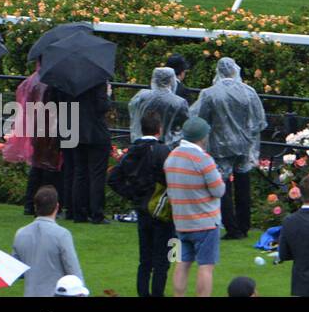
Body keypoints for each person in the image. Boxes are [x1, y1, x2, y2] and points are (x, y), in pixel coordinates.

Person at [188, 58, 267, 240]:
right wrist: (248, 137)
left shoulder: (210, 94)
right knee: (243, 182)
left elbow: (200, 118)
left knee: (222, 185)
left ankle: (232, 227)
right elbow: (259, 120)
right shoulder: (248, 92)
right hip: (244, 144)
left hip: (220, 144)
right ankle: (244, 224)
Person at [107, 109, 175, 297]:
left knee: (145, 260)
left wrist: (132, 195)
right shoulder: (163, 151)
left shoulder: (133, 151)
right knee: (162, 260)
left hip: (142, 209)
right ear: (159, 130)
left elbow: (113, 178)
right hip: (161, 210)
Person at [163, 116, 225, 298]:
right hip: (205, 222)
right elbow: (219, 190)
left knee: (181, 263)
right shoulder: (203, 159)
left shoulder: (171, 157)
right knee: (206, 267)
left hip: (181, 222)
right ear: (202, 137)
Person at [46, 77, 110, 225]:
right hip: (94, 131)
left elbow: (54, 102)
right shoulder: (96, 79)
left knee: (78, 172)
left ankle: (77, 212)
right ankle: (96, 213)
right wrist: (108, 95)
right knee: (96, 174)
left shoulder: (62, 79)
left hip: (71, 127)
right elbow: (102, 106)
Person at [4, 64, 62, 217]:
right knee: (50, 168)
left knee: (37, 167)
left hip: (36, 127)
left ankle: (30, 204)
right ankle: (46, 205)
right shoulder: (54, 81)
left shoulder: (32, 81)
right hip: (49, 128)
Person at [12, 186, 84, 297]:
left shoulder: (21, 233)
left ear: (35, 207)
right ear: (57, 206)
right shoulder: (62, 234)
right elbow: (73, 270)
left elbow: (15, 269)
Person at [126, 66, 188, 146]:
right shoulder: (179, 102)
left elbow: (133, 113)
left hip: (141, 143)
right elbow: (184, 126)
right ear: (171, 80)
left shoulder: (141, 96)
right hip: (167, 147)